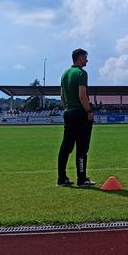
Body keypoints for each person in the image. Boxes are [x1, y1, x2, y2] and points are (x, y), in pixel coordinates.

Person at [57, 48, 95, 187]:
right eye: (85, 57)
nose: (87, 60)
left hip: (68, 113)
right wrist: (89, 111)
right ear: (79, 58)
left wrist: (68, 107)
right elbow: (82, 95)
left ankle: (61, 178)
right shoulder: (81, 73)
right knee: (82, 147)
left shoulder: (64, 74)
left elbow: (62, 96)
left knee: (66, 146)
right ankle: (82, 178)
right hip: (80, 113)